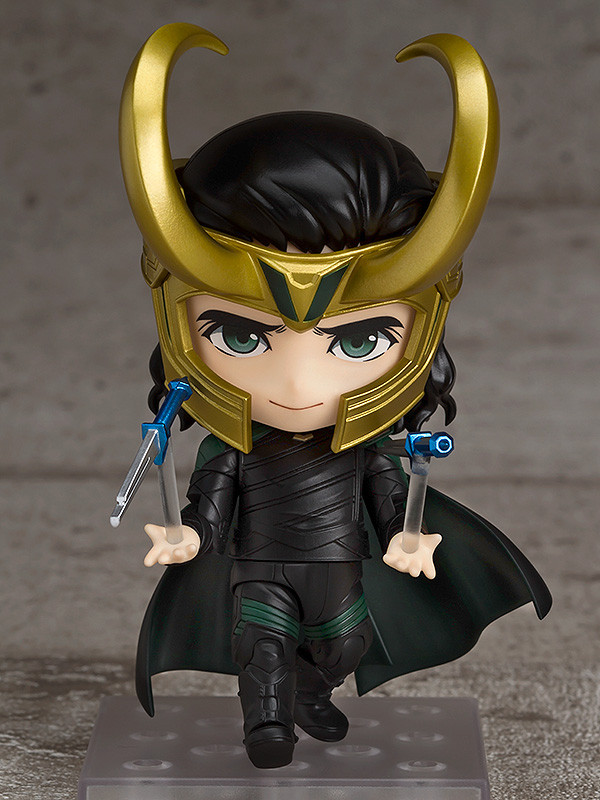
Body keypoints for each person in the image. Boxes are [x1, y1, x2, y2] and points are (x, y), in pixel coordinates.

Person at [119, 24, 552, 769]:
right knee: (261, 646)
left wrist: (407, 537)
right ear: (178, 318)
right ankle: (267, 724)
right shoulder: (231, 448)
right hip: (259, 568)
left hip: (339, 571)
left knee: (344, 645)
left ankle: (311, 691)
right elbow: (209, 505)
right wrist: (191, 537)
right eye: (241, 335)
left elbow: (389, 501)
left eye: (358, 341)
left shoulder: (366, 449)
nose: (297, 384)